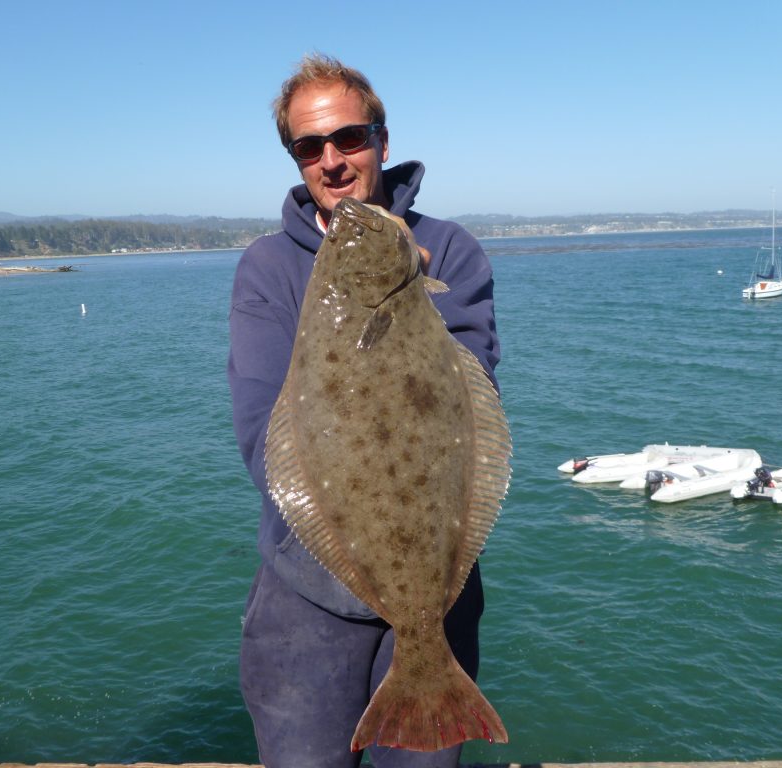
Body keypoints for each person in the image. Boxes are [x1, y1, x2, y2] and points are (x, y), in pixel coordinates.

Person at [227, 53, 502, 768]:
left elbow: (475, 394)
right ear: (295, 158)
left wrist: (410, 281)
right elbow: (262, 433)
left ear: (381, 138)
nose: (333, 161)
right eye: (309, 146)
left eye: (349, 138)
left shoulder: (450, 250)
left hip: (434, 599)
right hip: (304, 600)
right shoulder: (266, 267)